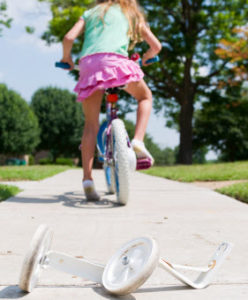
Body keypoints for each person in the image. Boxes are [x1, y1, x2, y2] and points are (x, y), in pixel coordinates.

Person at [61, 0, 162, 201]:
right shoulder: (131, 13)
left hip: (89, 65)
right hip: (117, 63)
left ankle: (88, 180)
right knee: (144, 97)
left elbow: (68, 37)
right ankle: (138, 141)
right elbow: (156, 46)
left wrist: (67, 59)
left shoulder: (90, 14)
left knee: (90, 125)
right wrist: (148, 56)